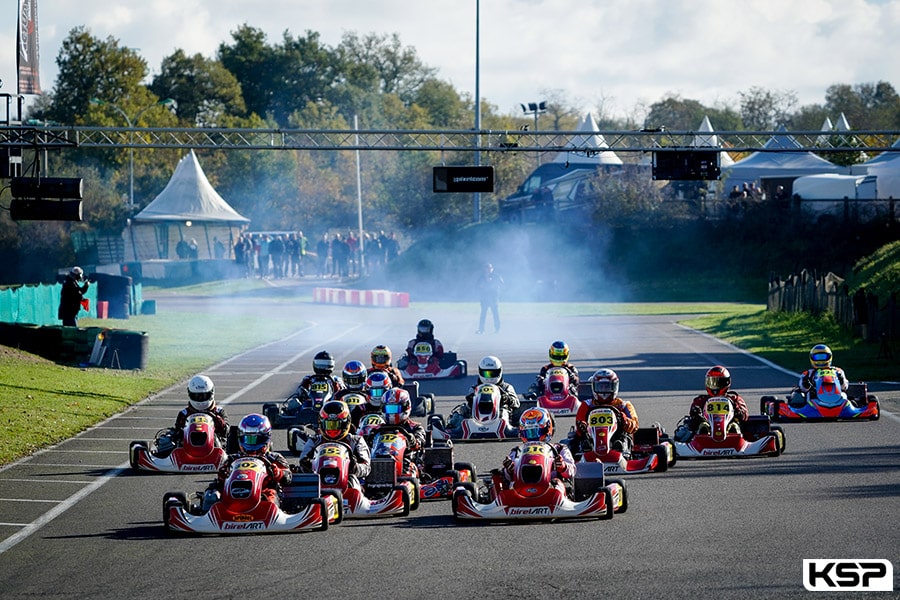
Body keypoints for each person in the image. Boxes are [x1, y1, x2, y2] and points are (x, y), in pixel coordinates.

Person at [208, 414, 291, 507]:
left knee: (270, 498)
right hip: (232, 494)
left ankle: (268, 513)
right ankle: (212, 511)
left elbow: (288, 477)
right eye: (248, 439)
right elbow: (221, 481)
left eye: (256, 439)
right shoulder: (232, 459)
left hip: (262, 493)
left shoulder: (274, 458)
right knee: (212, 495)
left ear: (266, 438)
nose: (252, 443)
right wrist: (222, 476)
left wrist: (278, 473)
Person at [297, 400, 371, 485]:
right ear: (322, 424)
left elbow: (366, 468)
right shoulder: (314, 441)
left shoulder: (356, 441)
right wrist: (308, 466)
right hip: (319, 483)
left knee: (353, 481)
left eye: (336, 425)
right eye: (329, 425)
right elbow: (302, 464)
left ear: (346, 423)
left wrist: (354, 468)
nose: (332, 429)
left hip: (349, 484)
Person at [569, 368, 639, 455]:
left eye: (607, 387)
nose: (604, 391)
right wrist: (582, 426)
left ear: (615, 387)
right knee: (575, 438)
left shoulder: (624, 405)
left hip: (617, 436)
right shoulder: (587, 405)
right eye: (601, 387)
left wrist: (625, 421)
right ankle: (586, 448)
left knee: (624, 434)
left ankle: (621, 448)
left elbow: (635, 426)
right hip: (591, 438)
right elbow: (579, 423)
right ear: (594, 387)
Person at [502, 407, 574, 489]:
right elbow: (506, 477)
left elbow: (572, 472)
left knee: (558, 484)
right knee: (509, 484)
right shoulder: (517, 452)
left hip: (551, 489)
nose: (532, 437)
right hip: (520, 490)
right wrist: (509, 470)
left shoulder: (559, 449)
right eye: (528, 432)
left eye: (536, 432)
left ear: (547, 429)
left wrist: (562, 467)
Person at [675, 365, 749, 440]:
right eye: (711, 382)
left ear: (726, 382)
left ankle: (734, 436)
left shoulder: (735, 399)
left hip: (730, 430)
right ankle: (703, 436)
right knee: (702, 426)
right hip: (707, 430)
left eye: (718, 383)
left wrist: (737, 410)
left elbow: (745, 417)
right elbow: (692, 417)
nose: (714, 386)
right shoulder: (700, 401)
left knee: (734, 425)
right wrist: (696, 413)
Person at [170, 375, 229, 447]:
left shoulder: (219, 412)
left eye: (204, 396)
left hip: (215, 448)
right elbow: (176, 435)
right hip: (188, 448)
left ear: (211, 393)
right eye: (197, 396)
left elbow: (226, 433)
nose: (200, 399)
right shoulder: (184, 414)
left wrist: (219, 422)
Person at [380, 388, 426, 464]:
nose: (392, 413)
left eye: (395, 409)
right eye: (389, 409)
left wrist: (413, 441)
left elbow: (420, 441)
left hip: (408, 460)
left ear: (406, 407)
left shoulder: (415, 427)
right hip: (381, 460)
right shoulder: (378, 428)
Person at [476, 262, 503, 334]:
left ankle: (498, 329)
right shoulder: (482, 277)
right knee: (483, 314)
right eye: (487, 268)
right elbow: (478, 285)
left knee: (495, 314)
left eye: (490, 268)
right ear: (484, 269)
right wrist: (481, 285)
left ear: (492, 269)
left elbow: (501, 283)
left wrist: (492, 282)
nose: (488, 270)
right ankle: (481, 329)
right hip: (484, 298)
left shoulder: (496, 276)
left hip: (494, 298)